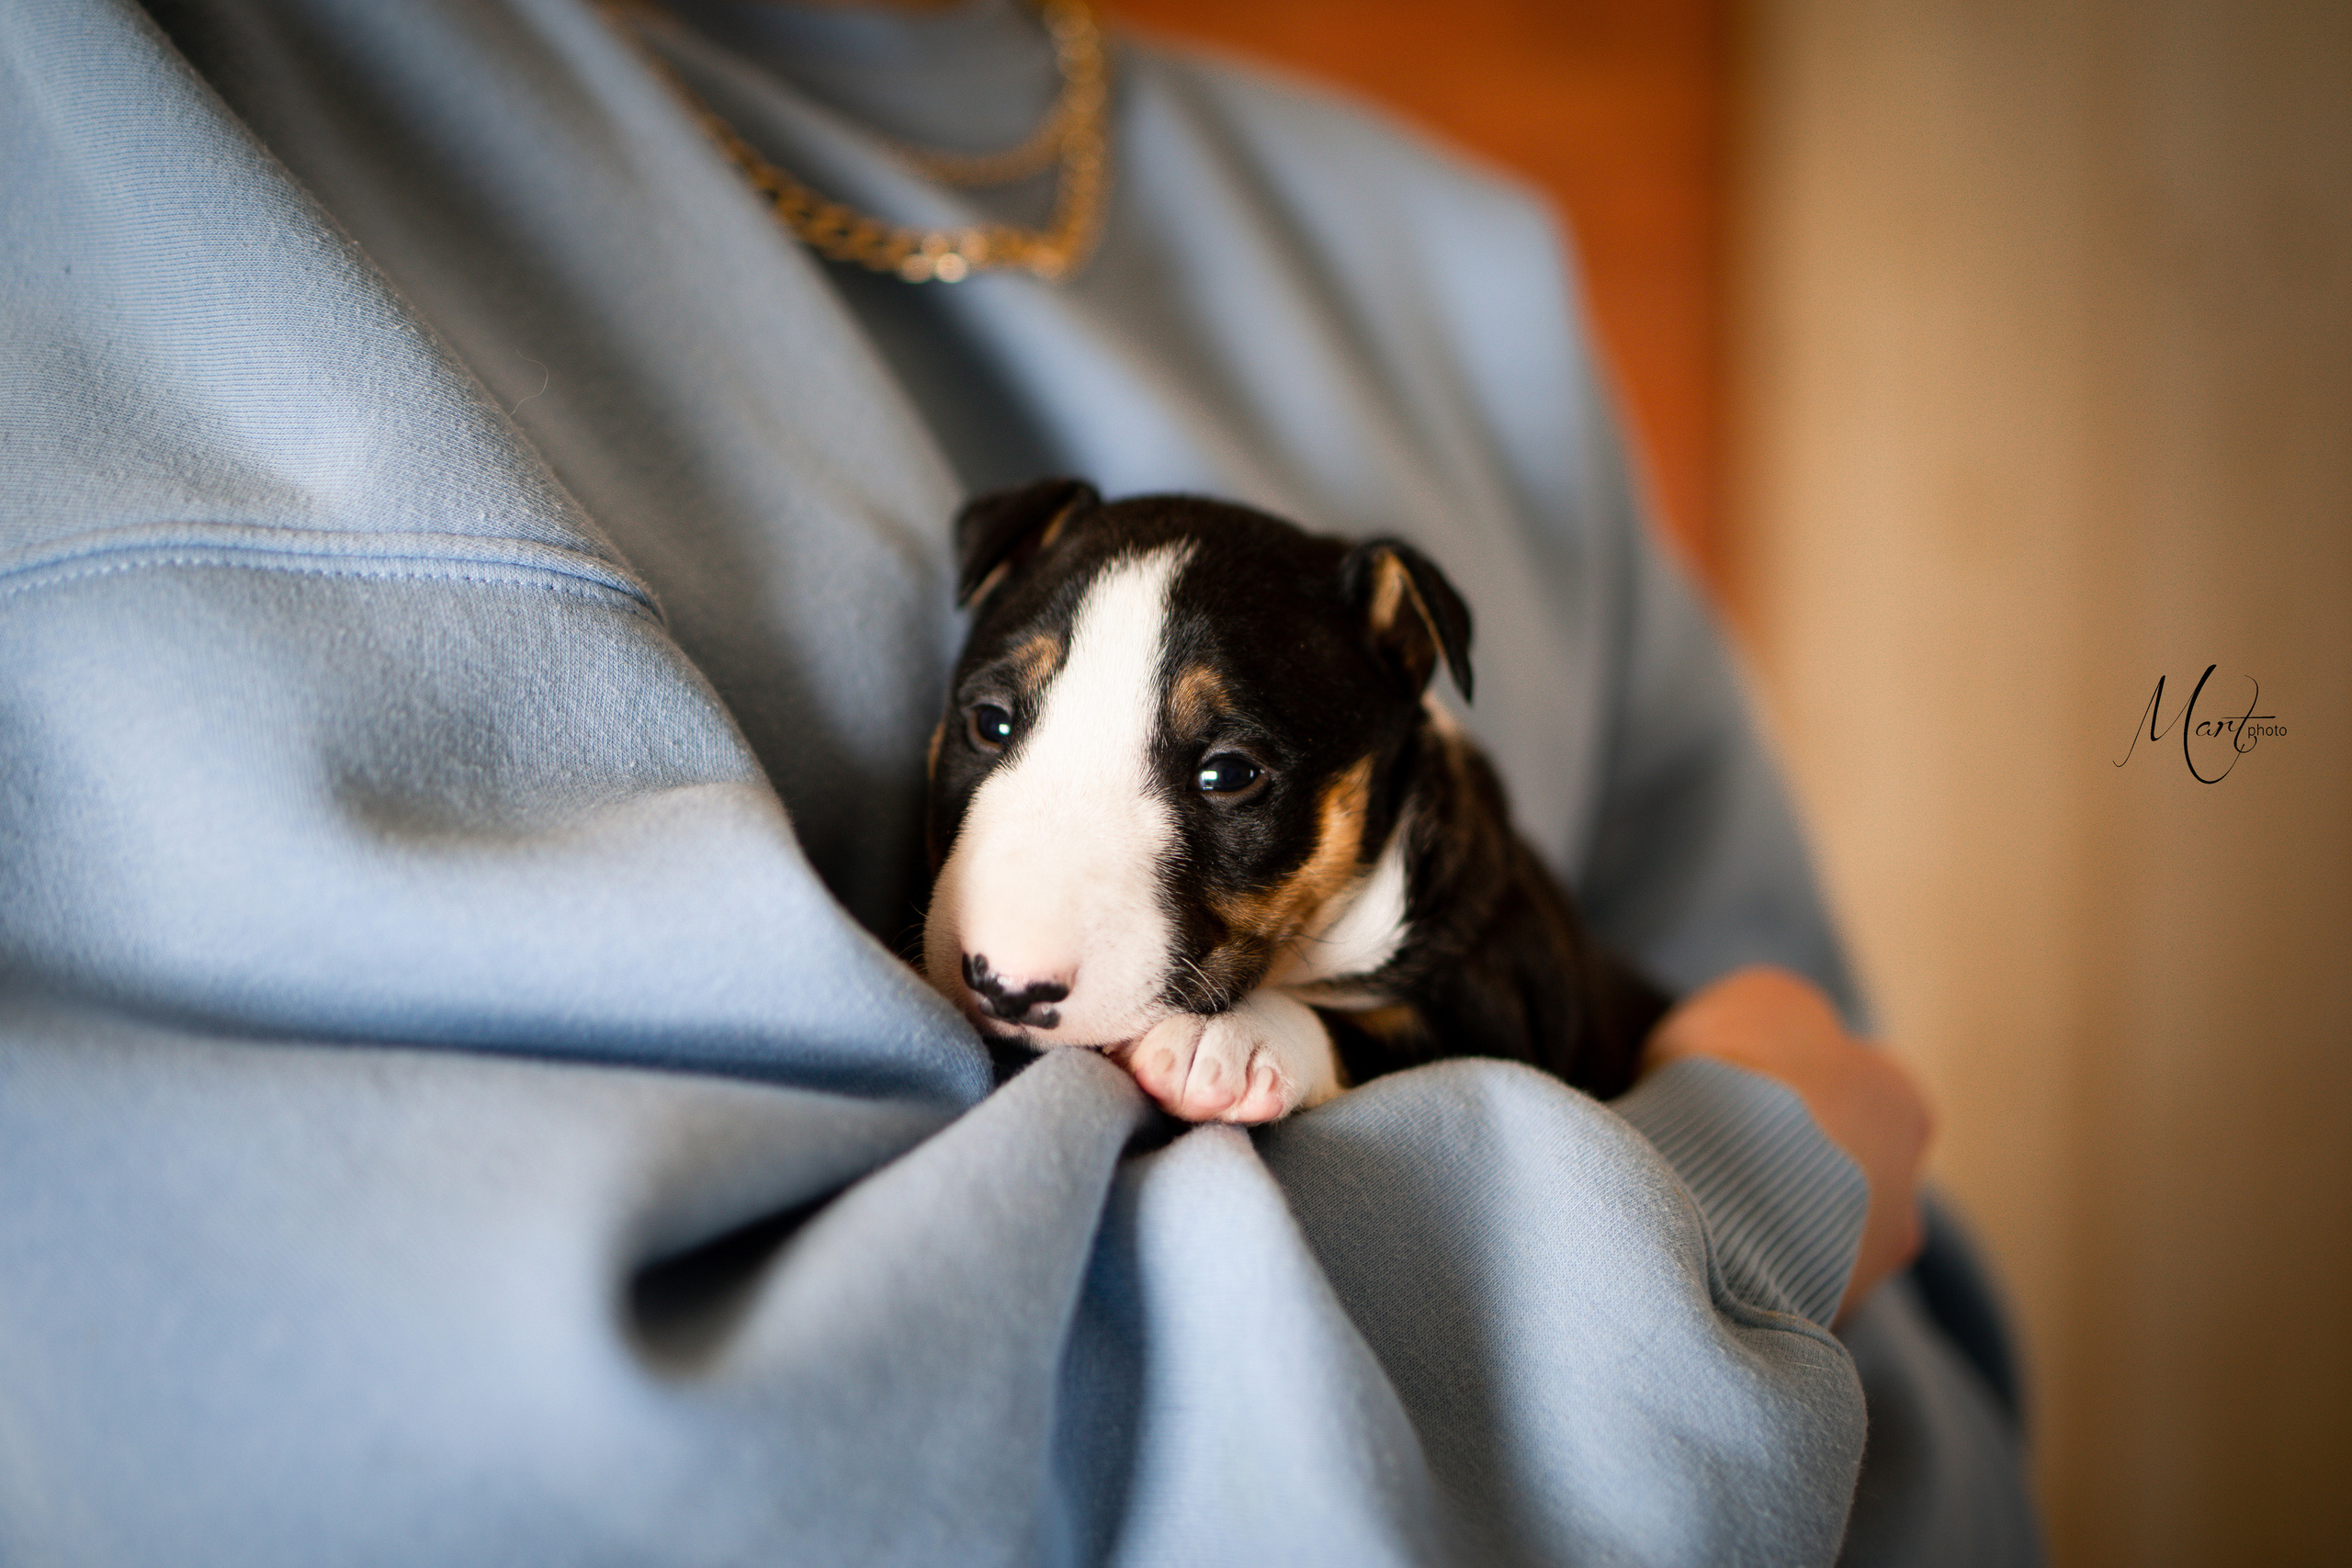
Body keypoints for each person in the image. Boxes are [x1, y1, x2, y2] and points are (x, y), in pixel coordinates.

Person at [0, 0, 2037, 1561]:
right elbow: (616, 1471)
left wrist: (1778, 1192)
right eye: (990, 718)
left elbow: (1920, 1410)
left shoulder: (1471, 273)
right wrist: (1713, 1207)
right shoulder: (119, 120)